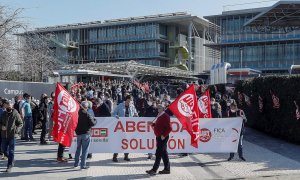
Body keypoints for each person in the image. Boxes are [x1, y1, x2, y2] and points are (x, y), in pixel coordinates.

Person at [146, 104, 172, 175]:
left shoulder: (165, 116)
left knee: (158, 153)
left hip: (162, 137)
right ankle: (167, 169)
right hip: (159, 136)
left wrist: (163, 135)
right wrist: (152, 124)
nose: (158, 109)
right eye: (158, 108)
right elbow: (159, 125)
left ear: (163, 108)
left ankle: (154, 169)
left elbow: (169, 128)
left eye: (160, 108)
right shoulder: (160, 115)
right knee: (164, 153)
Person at [112, 95, 138, 162]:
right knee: (119, 141)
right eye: (130, 100)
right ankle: (115, 156)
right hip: (121, 127)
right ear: (127, 99)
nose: (131, 101)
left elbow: (135, 113)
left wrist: (136, 115)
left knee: (127, 141)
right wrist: (116, 116)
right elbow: (113, 114)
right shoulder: (120, 105)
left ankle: (126, 156)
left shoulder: (132, 106)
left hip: (129, 127)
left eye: (131, 100)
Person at [0, 100, 23, 173]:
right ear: (5, 105)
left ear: (12, 105)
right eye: (7, 104)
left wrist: (16, 131)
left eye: (10, 104)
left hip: (12, 136)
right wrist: (1, 127)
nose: (8, 105)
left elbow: (20, 123)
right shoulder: (3, 114)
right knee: (3, 150)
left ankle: (9, 166)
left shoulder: (15, 113)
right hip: (4, 135)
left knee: (11, 151)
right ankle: (11, 159)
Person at [74, 101, 97, 169]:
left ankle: (76, 163)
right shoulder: (87, 114)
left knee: (78, 149)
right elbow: (93, 123)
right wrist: (95, 120)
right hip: (86, 134)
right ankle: (83, 165)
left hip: (78, 134)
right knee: (85, 150)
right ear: (86, 107)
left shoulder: (77, 114)